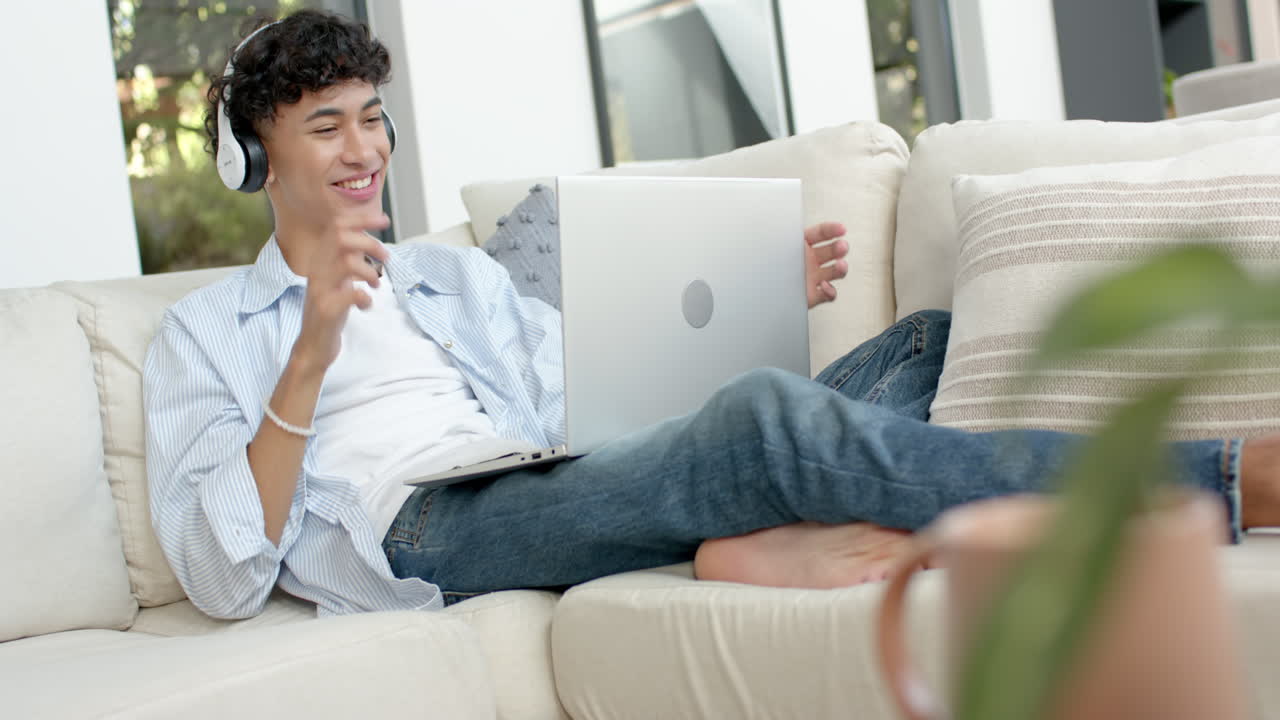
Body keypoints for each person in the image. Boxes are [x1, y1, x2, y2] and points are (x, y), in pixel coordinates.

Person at [144, 10, 1280, 619]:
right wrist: (308, 359)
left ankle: (742, 535)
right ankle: (1227, 478)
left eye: (373, 118)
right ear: (260, 159)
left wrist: (746, 306)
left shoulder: (452, 280)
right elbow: (220, 572)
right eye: (328, 125)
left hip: (525, 472)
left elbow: (590, 412)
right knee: (758, 431)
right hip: (418, 528)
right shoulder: (207, 333)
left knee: (921, 339)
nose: (364, 150)